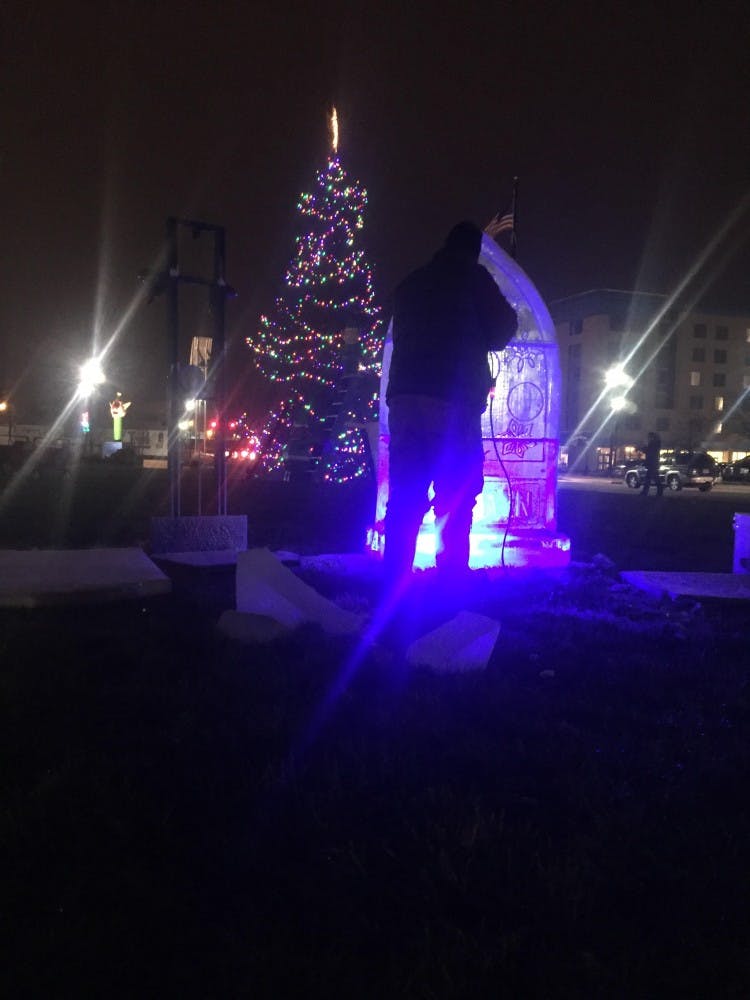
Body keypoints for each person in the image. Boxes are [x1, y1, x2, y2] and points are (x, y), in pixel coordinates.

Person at [384, 220, 517, 582]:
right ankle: (450, 579)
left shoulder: (411, 283)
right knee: (455, 492)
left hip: (405, 399)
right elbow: (503, 329)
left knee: (406, 492)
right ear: (474, 251)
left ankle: (394, 578)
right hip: (452, 400)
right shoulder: (472, 278)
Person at [641, 431, 663, 496]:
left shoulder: (652, 444)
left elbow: (646, 451)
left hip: (652, 464)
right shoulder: (655, 444)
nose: (648, 438)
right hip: (653, 464)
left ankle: (646, 492)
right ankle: (658, 491)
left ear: (651, 437)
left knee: (650, 479)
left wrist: (645, 446)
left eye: (649, 437)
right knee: (653, 478)